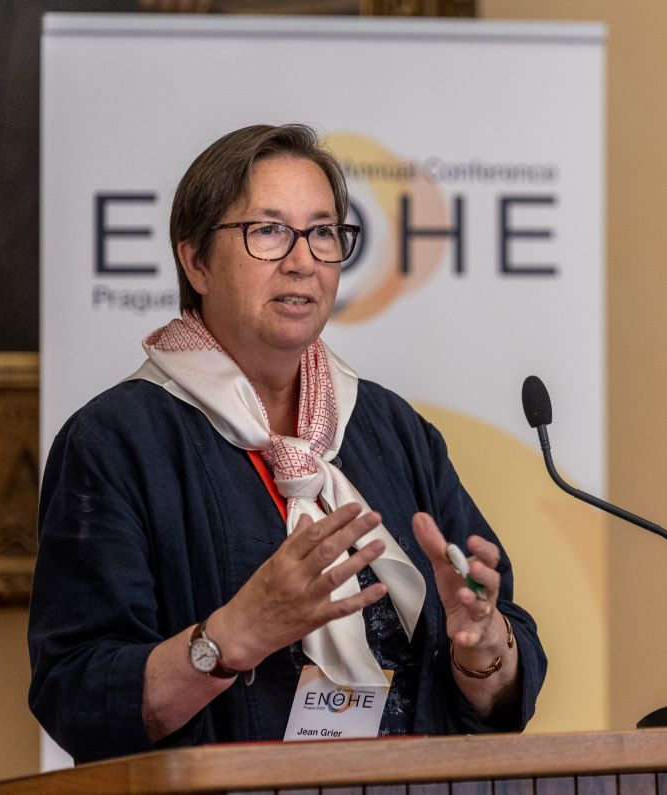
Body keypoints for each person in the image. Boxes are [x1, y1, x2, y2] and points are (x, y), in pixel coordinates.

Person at [28, 123, 546, 763]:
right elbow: (76, 692)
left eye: (323, 233)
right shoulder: (116, 441)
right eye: (269, 231)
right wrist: (232, 637)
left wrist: (483, 650)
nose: (303, 261)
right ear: (196, 262)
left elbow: (501, 683)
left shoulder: (391, 428)